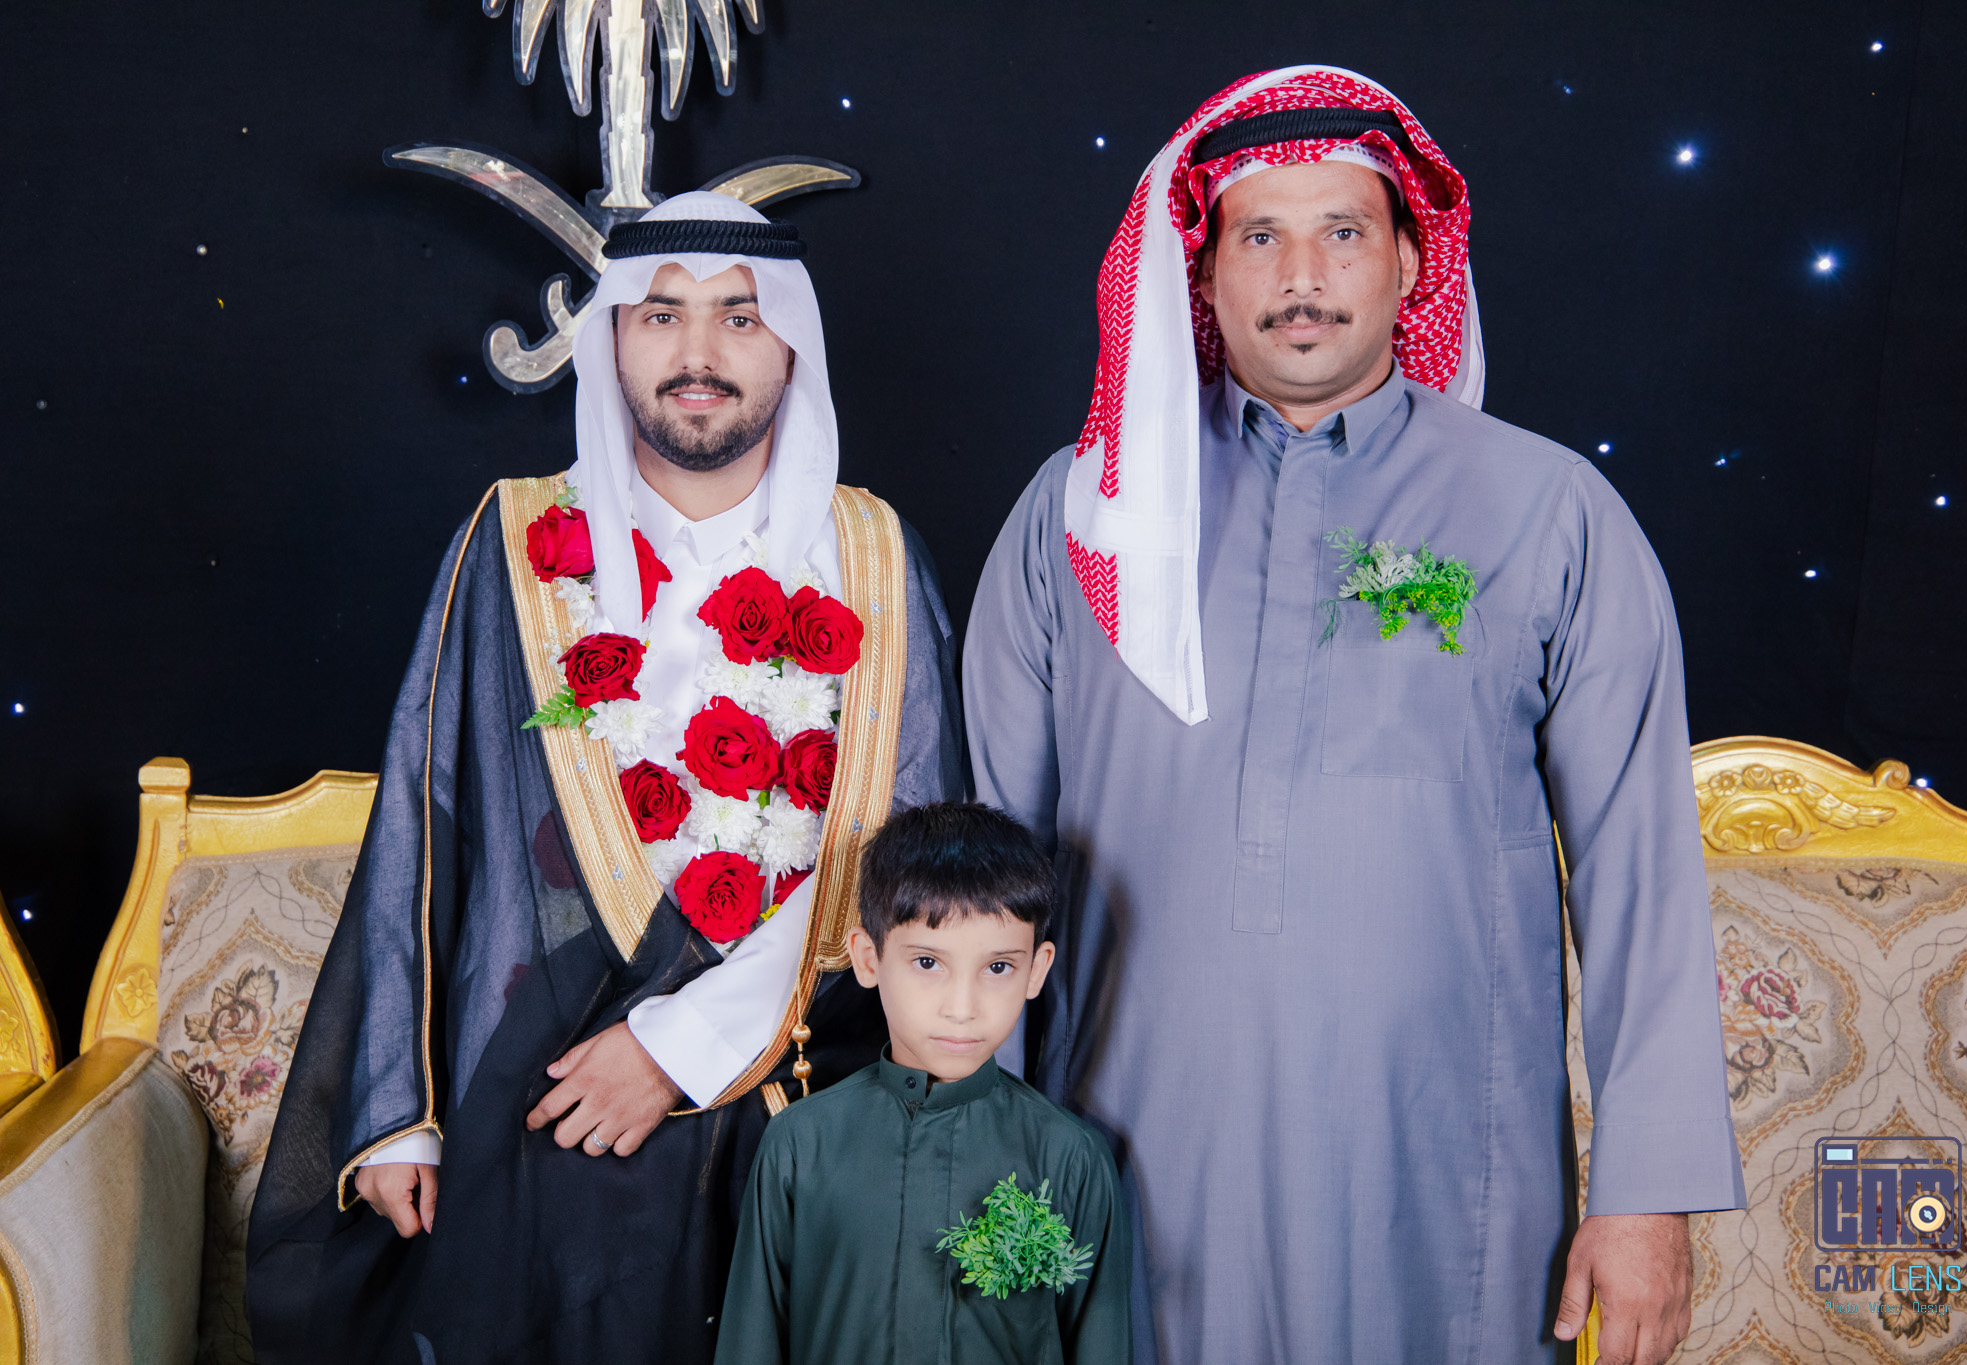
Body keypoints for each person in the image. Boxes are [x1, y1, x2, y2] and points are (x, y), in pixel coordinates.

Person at [963, 66, 1743, 1365]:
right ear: (1202, 272)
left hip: (1446, 1188)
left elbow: (1641, 878)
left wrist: (1646, 1194)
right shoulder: (1082, 516)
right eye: (1258, 237)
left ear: (1410, 263)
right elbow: (979, 870)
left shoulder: (1547, 512)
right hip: (1121, 1166)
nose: (1301, 277)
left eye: (1341, 233)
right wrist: (965, 1149)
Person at [247, 191, 965, 1363]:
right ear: (611, 341)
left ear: (791, 344)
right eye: (660, 315)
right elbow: (426, 818)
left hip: (804, 1068)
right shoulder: (511, 544)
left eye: (739, 318)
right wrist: (397, 1112)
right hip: (550, 1081)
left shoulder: (872, 555)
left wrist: (682, 1046)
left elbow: (915, 848)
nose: (698, 354)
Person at [713, 802, 1131, 1365]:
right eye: (928, 963)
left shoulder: (1070, 1157)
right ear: (868, 959)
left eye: (998, 968)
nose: (962, 1007)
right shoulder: (800, 1144)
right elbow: (752, 1342)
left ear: (1036, 969)